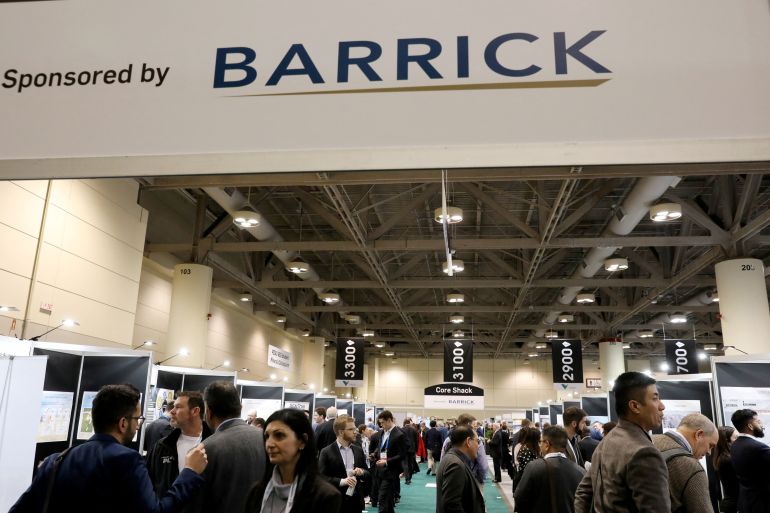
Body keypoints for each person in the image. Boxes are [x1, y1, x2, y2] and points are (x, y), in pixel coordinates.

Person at [11, 384, 207, 513]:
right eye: (137, 419)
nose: (138, 425)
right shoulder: (127, 461)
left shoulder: (56, 460)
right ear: (123, 423)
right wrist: (189, 473)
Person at [574, 371, 670, 513]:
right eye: (655, 399)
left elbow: (582, 493)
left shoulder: (606, 442)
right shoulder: (644, 452)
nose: (662, 406)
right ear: (635, 406)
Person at [245, 408, 342, 513]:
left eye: (279, 435)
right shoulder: (256, 492)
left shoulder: (324, 496)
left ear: (302, 441)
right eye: (267, 436)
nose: (269, 444)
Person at [190, 381, 266, 513]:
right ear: (240, 408)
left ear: (208, 412)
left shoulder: (204, 450)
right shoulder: (267, 440)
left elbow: (196, 503)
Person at [147, 391, 213, 499]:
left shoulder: (213, 445)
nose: (171, 411)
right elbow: (150, 482)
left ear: (195, 411)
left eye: (177, 407)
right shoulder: (162, 446)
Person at [651, 413, 718, 513]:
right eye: (710, 445)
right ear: (698, 434)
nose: (709, 452)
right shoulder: (692, 467)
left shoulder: (649, 441)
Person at [514, 426, 586, 513]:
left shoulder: (533, 467)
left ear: (547, 444)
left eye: (540, 442)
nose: (539, 445)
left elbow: (519, 498)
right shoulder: (580, 471)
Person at [318, 415, 369, 513]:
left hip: (355, 502)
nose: (355, 432)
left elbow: (368, 473)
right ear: (341, 432)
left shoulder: (358, 450)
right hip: (335, 501)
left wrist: (362, 472)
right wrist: (342, 481)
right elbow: (321, 478)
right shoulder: (326, 452)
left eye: (355, 428)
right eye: (351, 429)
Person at [435, 425, 485, 513]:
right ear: (468, 441)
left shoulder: (452, 458)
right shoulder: (456, 464)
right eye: (477, 441)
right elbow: (452, 505)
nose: (478, 446)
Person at [730, 408, 770, 513]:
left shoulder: (735, 445)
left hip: (746, 502)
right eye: (758, 421)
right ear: (750, 426)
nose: (761, 424)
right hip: (761, 505)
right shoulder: (758, 448)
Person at [440, 413, 489, 485]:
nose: (475, 429)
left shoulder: (448, 440)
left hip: (450, 480)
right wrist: (480, 481)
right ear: (469, 425)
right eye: (474, 427)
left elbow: (443, 461)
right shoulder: (476, 441)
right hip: (472, 481)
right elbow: (483, 466)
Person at [374, 409, 407, 513]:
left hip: (391, 471)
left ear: (389, 420)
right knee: (388, 501)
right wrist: (374, 454)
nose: (381, 425)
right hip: (380, 471)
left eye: (382, 423)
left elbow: (402, 454)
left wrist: (387, 461)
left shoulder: (399, 434)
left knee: (382, 499)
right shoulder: (382, 433)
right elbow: (380, 447)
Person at [712, 426, 738, 513]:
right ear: (727, 440)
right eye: (736, 438)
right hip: (734, 505)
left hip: (731, 503)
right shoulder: (727, 459)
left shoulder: (722, 457)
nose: (738, 440)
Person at [513, 426, 540, 492]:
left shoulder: (530, 448)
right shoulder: (526, 449)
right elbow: (527, 467)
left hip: (525, 479)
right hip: (524, 480)